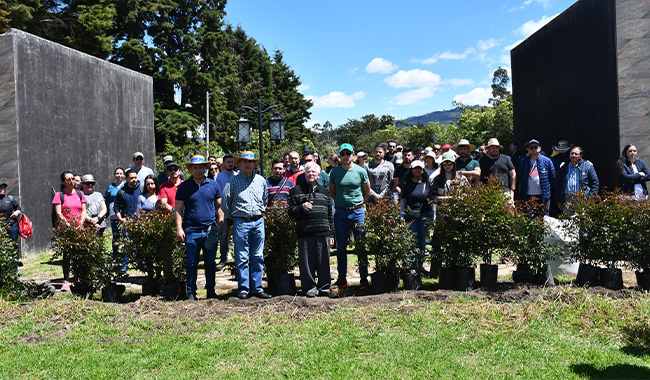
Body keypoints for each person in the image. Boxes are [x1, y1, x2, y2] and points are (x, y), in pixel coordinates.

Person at [221, 151, 271, 300]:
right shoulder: (232, 182)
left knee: (257, 256)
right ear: (240, 164)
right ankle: (243, 289)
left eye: (251, 162)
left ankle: (257, 288)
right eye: (244, 162)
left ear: (255, 164)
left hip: (258, 221)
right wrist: (236, 217)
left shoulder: (261, 180)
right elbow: (225, 205)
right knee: (242, 257)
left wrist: (258, 212)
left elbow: (265, 199)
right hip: (241, 222)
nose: (248, 164)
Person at [175, 155, 224, 301]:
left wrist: (220, 222)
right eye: (195, 167)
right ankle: (191, 293)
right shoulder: (184, 187)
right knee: (191, 262)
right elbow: (178, 209)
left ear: (206, 168)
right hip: (191, 230)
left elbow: (219, 206)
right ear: (190, 169)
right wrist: (179, 228)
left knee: (210, 262)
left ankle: (211, 291)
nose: (198, 170)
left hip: (210, 230)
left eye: (201, 167)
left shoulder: (214, 185)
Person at [287, 162, 337, 298]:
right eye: (308, 172)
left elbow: (329, 215)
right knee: (306, 263)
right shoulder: (297, 190)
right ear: (305, 174)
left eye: (314, 172)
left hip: (323, 232)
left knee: (324, 262)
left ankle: (325, 287)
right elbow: (290, 212)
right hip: (305, 232)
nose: (311, 174)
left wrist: (331, 234)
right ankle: (309, 288)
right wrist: (301, 207)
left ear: (319, 175)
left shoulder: (324, 191)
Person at [329, 143, 371, 290]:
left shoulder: (361, 171)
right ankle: (342, 279)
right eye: (343, 154)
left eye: (348, 153)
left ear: (353, 155)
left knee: (361, 246)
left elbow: (367, 192)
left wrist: (359, 205)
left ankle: (364, 278)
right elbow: (332, 192)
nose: (346, 156)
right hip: (340, 212)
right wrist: (342, 205)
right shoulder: (335, 172)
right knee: (341, 247)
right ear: (339, 156)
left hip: (358, 212)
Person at [52, 171, 88, 291]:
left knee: (79, 254)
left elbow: (83, 211)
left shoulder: (80, 194)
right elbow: (58, 212)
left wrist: (80, 224)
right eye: (68, 179)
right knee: (67, 255)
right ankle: (66, 280)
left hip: (79, 228)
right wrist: (68, 225)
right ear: (63, 182)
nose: (72, 181)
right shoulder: (59, 195)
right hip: (66, 229)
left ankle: (78, 278)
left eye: (73, 178)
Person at [400, 160, 434, 275]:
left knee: (422, 241)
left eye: (419, 168)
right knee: (413, 241)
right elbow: (403, 200)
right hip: (411, 216)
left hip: (425, 215)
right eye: (415, 168)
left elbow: (431, 200)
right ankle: (413, 265)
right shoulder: (406, 183)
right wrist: (401, 216)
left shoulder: (427, 182)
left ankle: (420, 266)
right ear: (412, 170)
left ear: (423, 169)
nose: (417, 170)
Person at [515, 139, 556, 216]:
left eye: (536, 147)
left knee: (544, 220)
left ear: (540, 148)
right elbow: (520, 177)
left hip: (543, 196)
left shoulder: (547, 161)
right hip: (528, 196)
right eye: (531, 147)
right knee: (530, 219)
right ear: (528, 149)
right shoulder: (523, 161)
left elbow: (552, 178)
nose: (534, 149)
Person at [556, 145, 599, 212]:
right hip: (567, 199)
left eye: (576, 154)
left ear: (581, 156)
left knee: (582, 221)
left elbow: (595, 183)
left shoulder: (588, 166)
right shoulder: (564, 167)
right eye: (572, 153)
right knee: (567, 221)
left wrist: (591, 197)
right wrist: (559, 200)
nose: (573, 155)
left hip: (582, 199)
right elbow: (559, 184)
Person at [216, 154, 236, 271]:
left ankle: (238, 258)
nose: (230, 164)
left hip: (236, 209)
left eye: (232, 162)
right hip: (224, 209)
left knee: (238, 235)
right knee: (224, 236)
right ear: (224, 164)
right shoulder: (219, 177)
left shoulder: (238, 175)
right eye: (228, 162)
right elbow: (218, 194)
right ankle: (223, 258)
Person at [104, 167, 125, 259]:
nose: (119, 175)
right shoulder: (110, 187)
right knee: (115, 235)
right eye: (117, 173)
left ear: (124, 175)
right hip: (113, 214)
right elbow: (107, 200)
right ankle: (115, 255)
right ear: (114, 175)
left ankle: (127, 256)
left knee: (126, 235)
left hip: (124, 213)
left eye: (121, 173)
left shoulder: (127, 186)